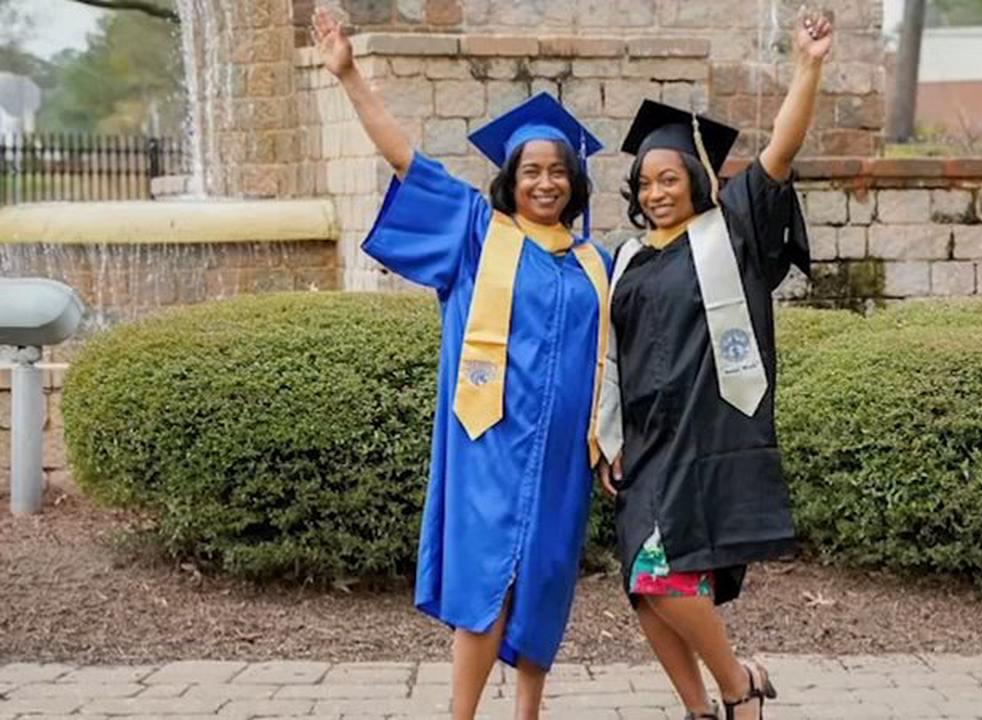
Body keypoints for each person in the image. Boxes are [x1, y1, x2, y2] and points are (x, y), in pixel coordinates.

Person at [311, 8, 611, 720]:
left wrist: (610, 441)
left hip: (566, 454)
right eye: (531, 170)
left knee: (542, 582)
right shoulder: (479, 233)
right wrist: (350, 74)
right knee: (485, 585)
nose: (545, 182)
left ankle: (528, 714)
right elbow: (407, 162)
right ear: (511, 179)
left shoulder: (595, 261)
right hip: (490, 444)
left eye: (558, 171)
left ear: (575, 181)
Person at [593, 9, 833, 720]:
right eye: (645, 183)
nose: (657, 192)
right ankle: (703, 709)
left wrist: (807, 67)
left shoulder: (731, 230)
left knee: (668, 580)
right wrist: (604, 434)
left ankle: (738, 688)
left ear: (698, 178)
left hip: (709, 436)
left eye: (670, 178)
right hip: (647, 442)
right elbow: (614, 352)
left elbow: (779, 154)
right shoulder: (630, 259)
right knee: (644, 591)